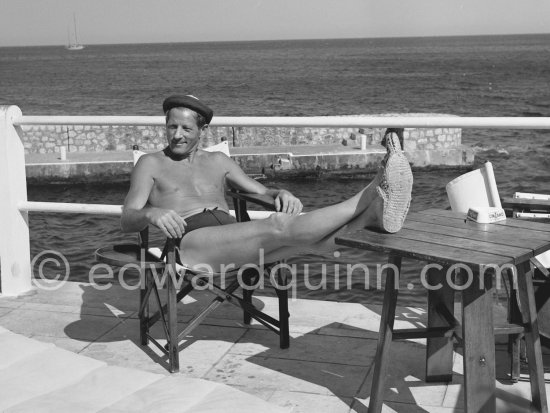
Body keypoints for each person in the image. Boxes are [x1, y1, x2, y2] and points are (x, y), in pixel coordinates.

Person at [121, 95, 413, 273]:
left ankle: (372, 215)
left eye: (186, 128)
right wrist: (151, 213)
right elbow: (128, 218)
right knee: (279, 226)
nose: (177, 135)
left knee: (315, 243)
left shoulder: (219, 162)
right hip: (192, 247)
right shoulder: (151, 163)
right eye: (172, 127)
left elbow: (263, 193)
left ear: (203, 130)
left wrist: (280, 192)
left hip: (235, 238)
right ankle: (372, 191)